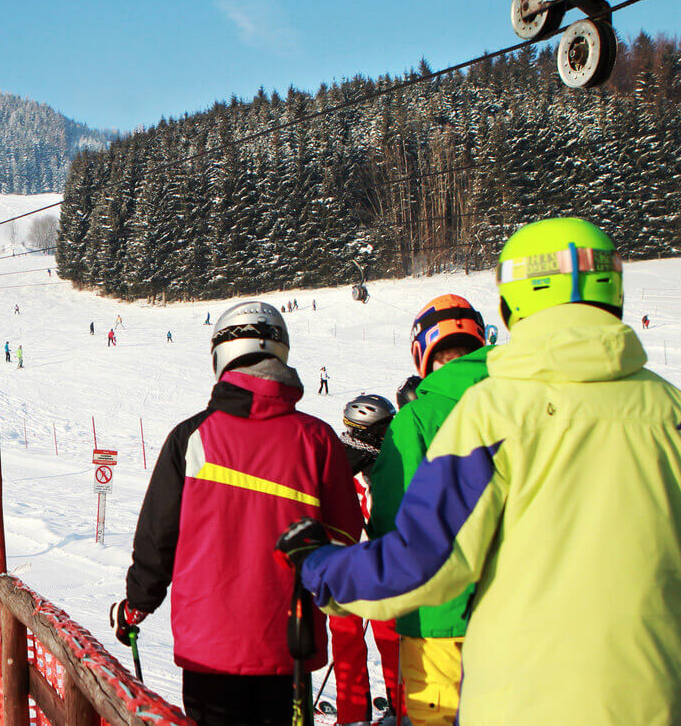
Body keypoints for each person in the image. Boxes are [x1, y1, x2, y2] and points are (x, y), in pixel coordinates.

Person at [280, 218, 681, 725]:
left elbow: (420, 556)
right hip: (654, 695)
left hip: (519, 694)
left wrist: (319, 569)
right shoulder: (670, 410)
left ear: (512, 306)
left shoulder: (492, 413)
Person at [117, 301, 361, 724]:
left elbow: (159, 537)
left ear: (221, 358)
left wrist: (136, 605)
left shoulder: (192, 437)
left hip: (209, 650)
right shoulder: (318, 439)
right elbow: (344, 538)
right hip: (289, 642)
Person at [357, 294, 491, 725]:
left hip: (439, 623)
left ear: (423, 352)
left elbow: (395, 528)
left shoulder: (417, 419)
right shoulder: (524, 400)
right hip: (524, 618)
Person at [333, 394, 405, 725]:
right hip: (379, 569)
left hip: (340, 570)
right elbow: (383, 518)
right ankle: (403, 708)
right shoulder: (378, 467)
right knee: (392, 642)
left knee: (347, 643)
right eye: (386, 426)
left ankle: (352, 715)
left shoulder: (333, 459)